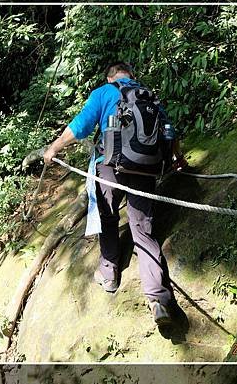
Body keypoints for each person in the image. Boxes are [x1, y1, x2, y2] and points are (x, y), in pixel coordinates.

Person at [44, 62, 184, 326]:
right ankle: (158, 300)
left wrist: (54, 147)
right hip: (146, 168)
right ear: (131, 75)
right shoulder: (146, 94)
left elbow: (81, 125)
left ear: (110, 78)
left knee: (108, 218)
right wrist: (179, 159)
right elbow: (169, 131)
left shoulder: (104, 92)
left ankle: (109, 274)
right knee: (143, 230)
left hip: (109, 166)